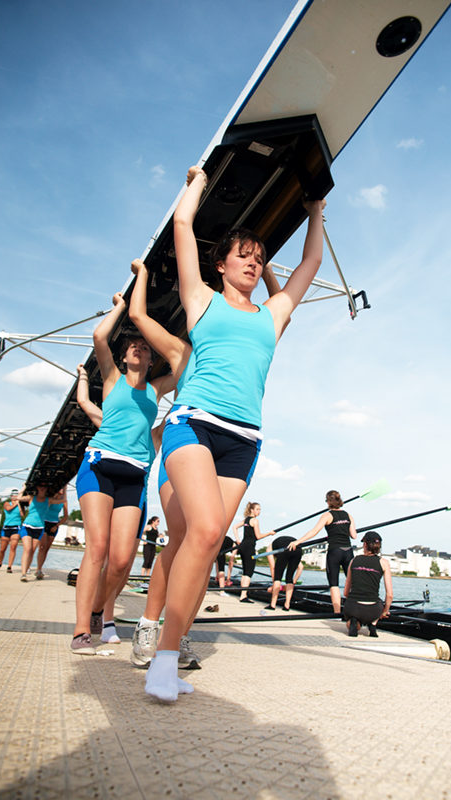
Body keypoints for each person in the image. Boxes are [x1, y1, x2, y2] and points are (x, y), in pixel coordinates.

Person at [144, 163, 325, 702]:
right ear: (220, 265)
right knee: (199, 533)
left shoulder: (273, 316)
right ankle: (163, 658)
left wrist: (315, 212)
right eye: (242, 255)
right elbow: (182, 227)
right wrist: (196, 180)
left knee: (204, 542)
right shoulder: (202, 301)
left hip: (243, 439)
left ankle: (167, 650)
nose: (253, 262)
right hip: (193, 422)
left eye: (260, 257)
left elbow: (311, 261)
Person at [128, 254, 282, 671]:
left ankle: (176, 635)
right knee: (180, 535)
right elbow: (139, 315)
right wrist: (143, 276)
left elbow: (277, 312)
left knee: (208, 542)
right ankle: (147, 625)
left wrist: (266, 273)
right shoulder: (181, 352)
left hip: (230, 441)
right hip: (187, 446)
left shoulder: (248, 335)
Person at [71, 292, 175, 655]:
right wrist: (120, 305)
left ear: (151, 357)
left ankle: (102, 610)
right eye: (131, 345)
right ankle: (83, 629)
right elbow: (100, 338)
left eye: (144, 346)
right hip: (99, 467)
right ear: (123, 355)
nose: (137, 348)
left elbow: (185, 363)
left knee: (120, 560)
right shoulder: (112, 377)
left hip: (134, 475)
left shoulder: (156, 389)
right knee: (97, 548)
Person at [289, 490, 357, 614]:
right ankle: (352, 611)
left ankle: (337, 613)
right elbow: (354, 535)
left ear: (328, 502)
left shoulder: (327, 516)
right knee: (352, 583)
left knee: (334, 584)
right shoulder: (349, 515)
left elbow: (313, 532)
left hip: (335, 552)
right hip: (348, 552)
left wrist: (298, 542)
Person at [343, 531, 393, 637]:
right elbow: (389, 595)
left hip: (353, 607)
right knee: (379, 605)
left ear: (365, 545)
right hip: (373, 609)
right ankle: (373, 624)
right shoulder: (384, 563)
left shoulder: (354, 560)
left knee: (351, 618)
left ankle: (354, 622)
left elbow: (346, 592)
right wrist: (385, 611)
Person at [233, 502, 274, 602]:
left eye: (260, 509)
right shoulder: (255, 521)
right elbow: (258, 536)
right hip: (249, 548)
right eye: (257, 509)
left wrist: (238, 540)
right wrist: (269, 533)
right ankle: (243, 596)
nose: (259, 511)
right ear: (252, 510)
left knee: (245, 571)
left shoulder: (246, 520)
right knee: (248, 573)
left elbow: (234, 527)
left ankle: (243, 594)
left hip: (242, 546)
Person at [18, 484, 53, 581]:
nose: (42, 488)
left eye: (44, 487)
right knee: (28, 549)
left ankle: (28, 568)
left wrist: (65, 489)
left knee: (32, 550)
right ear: (37, 487)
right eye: (40, 486)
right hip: (27, 526)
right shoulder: (31, 498)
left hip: (39, 528)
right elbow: (19, 498)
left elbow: (63, 500)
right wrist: (24, 487)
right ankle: (24, 574)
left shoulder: (48, 500)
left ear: (47, 489)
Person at [35, 486, 68, 579]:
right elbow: (44, 508)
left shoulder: (64, 501)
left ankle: (40, 568)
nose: (60, 491)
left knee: (46, 549)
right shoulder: (49, 498)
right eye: (59, 488)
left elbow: (65, 517)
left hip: (54, 525)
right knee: (42, 546)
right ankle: (38, 569)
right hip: (44, 522)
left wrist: (57, 525)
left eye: (62, 489)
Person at [265, 535, 303, 611]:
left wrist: (273, 586)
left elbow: (273, 568)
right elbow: (301, 567)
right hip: (298, 549)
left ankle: (273, 605)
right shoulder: (279, 543)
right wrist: (294, 582)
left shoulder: (269, 550)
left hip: (285, 549)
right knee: (289, 578)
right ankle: (287, 605)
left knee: (277, 577)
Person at [0, 489, 23, 572]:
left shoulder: (20, 505)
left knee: (13, 547)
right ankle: (0, 563)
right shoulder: (7, 503)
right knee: (2, 549)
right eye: (13, 495)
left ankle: (9, 566)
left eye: (16, 495)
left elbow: (22, 514)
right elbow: (8, 509)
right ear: (11, 496)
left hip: (16, 527)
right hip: (7, 527)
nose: (15, 497)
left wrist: (19, 505)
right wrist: (16, 504)